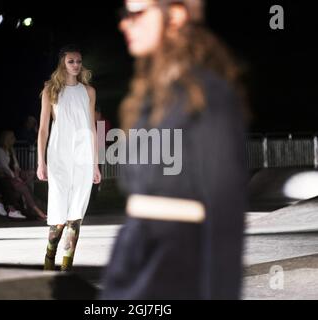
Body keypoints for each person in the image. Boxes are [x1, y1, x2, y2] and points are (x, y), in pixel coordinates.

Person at [100, 0, 247, 300]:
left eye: (136, 14)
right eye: (123, 14)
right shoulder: (147, 97)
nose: (124, 24)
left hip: (176, 264)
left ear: (176, 16)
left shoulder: (209, 95)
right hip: (131, 253)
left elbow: (225, 211)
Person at [37, 45, 102, 272]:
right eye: (71, 61)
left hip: (83, 155)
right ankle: (49, 259)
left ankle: (66, 267)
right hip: (58, 155)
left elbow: (92, 128)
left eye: (78, 61)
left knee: (76, 214)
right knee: (58, 213)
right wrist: (40, 161)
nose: (76, 65)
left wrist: (96, 164)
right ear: (62, 64)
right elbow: (43, 129)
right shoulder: (51, 90)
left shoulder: (88, 92)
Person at [0, 130, 47, 220]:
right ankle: (38, 211)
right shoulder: (0, 151)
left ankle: (24, 188)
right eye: (12, 138)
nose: (14, 140)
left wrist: (18, 173)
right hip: (6, 177)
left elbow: (16, 165)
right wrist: (16, 177)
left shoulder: (11, 150)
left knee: (31, 173)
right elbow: (6, 169)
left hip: (15, 175)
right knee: (24, 188)